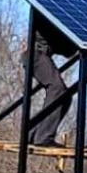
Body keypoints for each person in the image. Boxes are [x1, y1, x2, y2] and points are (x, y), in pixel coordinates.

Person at [23, 14, 76, 148]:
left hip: (41, 56)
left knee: (65, 96)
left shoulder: (58, 24)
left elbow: (68, 51)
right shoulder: (48, 17)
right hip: (35, 55)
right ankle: (43, 136)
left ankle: (33, 133)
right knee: (57, 89)